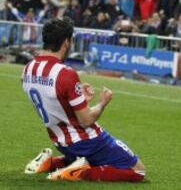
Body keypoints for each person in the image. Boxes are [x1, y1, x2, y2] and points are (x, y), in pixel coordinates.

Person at [22, 18, 145, 181]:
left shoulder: (28, 69)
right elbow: (86, 120)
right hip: (87, 142)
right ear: (66, 42)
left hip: (60, 141)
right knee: (138, 171)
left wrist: (77, 96)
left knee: (83, 158)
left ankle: (50, 163)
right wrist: (103, 103)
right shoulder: (66, 73)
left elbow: (51, 98)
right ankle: (80, 173)